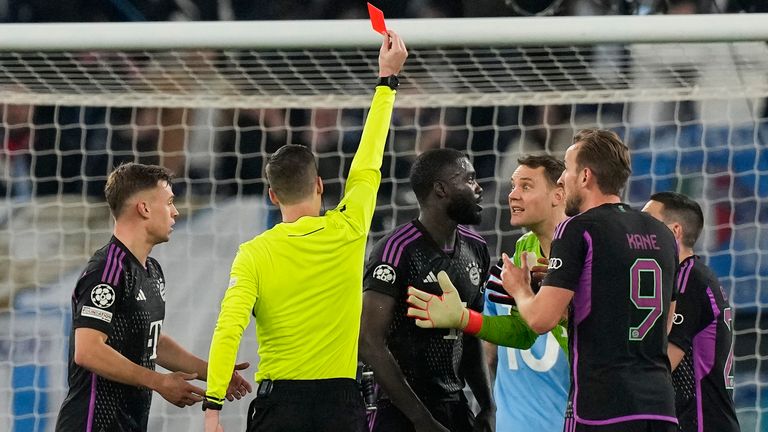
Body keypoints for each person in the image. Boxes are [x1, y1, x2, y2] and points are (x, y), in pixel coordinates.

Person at [202, 31, 408, 432]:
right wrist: (387, 81)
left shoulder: (253, 253)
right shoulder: (349, 227)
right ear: (319, 186)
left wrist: (212, 408)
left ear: (272, 196)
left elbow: (229, 327)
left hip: (281, 406)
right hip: (340, 405)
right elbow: (368, 162)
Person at [408, 129, 679, 432]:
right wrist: (464, 318)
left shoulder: (577, 231)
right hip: (660, 406)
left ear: (584, 177)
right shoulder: (662, 235)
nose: (564, 177)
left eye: (569, 169)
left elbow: (538, 321)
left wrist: (521, 289)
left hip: (602, 406)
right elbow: (663, 324)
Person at [55, 162, 250, 432]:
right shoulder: (107, 269)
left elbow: (151, 341)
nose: (175, 212)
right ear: (144, 208)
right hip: (92, 424)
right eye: (169, 202)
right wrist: (159, 382)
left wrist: (212, 372)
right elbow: (87, 350)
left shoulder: (152, 270)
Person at [359, 148, 494, 432]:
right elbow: (369, 341)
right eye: (469, 180)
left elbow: (469, 332)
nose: (478, 188)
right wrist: (421, 421)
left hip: (456, 406)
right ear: (441, 189)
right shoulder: (396, 250)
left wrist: (487, 404)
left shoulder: (477, 248)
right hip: (400, 411)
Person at [483, 154, 569, 432]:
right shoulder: (507, 270)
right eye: (512, 186)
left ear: (558, 195)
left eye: (526, 186)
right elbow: (488, 351)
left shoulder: (589, 258)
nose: (513, 195)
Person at [642, 192, 740, 432]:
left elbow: (664, 362)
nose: (640, 229)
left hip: (703, 424)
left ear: (674, 231)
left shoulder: (689, 279)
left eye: (648, 222)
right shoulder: (689, 276)